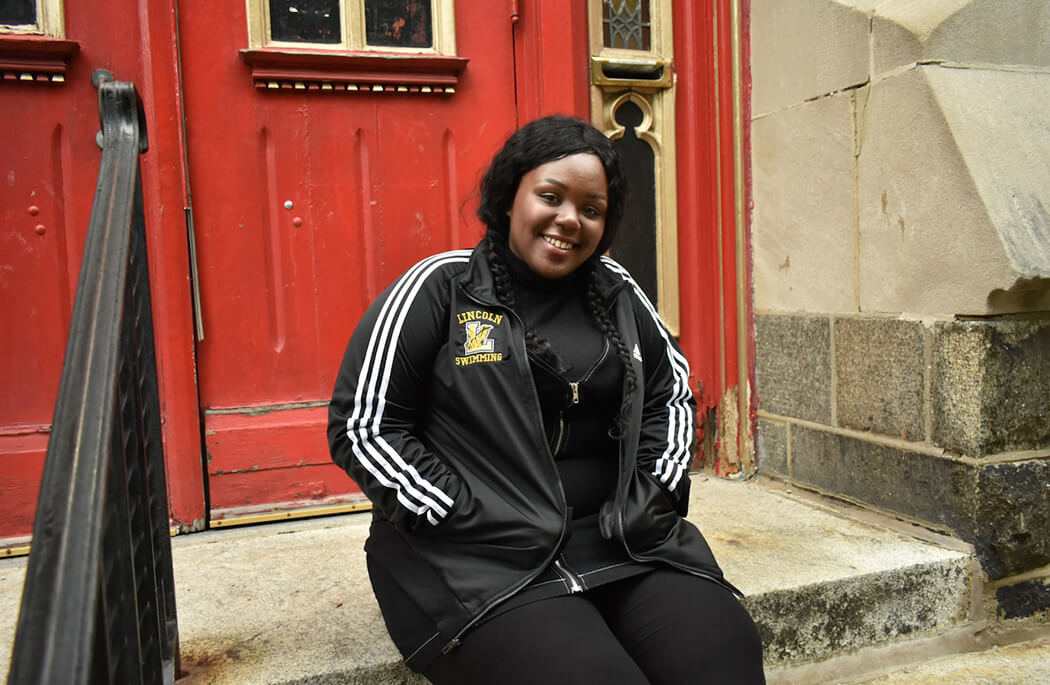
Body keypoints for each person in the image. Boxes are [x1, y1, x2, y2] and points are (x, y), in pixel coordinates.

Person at [327, 115, 765, 684]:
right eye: (550, 197)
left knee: (722, 658)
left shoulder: (618, 292)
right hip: (477, 559)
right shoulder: (441, 288)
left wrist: (650, 498)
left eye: (591, 208)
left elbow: (671, 397)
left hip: (622, 544)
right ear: (511, 195)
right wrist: (460, 512)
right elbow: (364, 427)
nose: (568, 220)